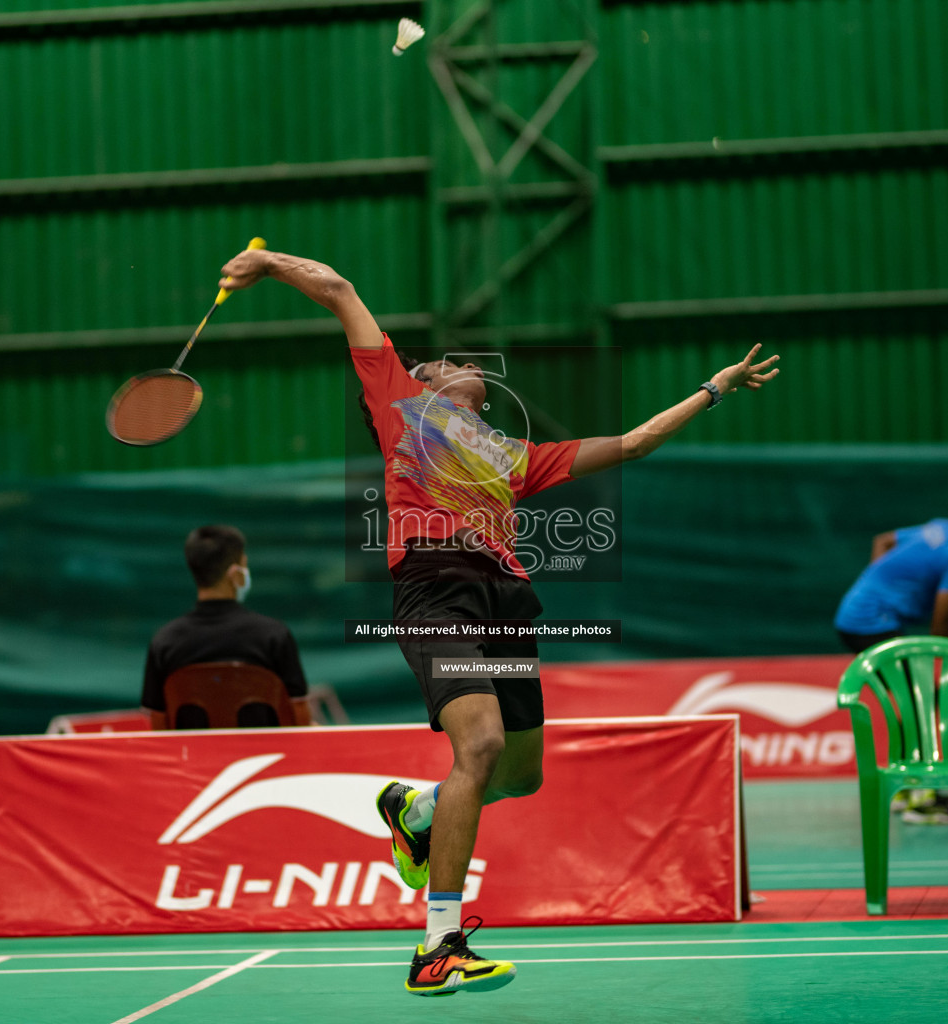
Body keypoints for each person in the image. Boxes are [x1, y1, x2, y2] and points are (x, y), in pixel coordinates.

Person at [218, 244, 779, 996]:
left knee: (520, 774)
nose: (461, 363)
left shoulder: (515, 457)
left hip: (507, 602)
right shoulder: (400, 404)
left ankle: (414, 809)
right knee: (478, 746)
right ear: (422, 383)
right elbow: (340, 287)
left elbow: (638, 442)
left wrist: (713, 389)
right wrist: (269, 265)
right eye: (444, 361)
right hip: (436, 586)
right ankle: (438, 944)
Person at [833, 479, 948, 824]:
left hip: (862, 615)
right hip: (870, 622)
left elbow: (883, 540)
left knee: (914, 702)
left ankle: (909, 790)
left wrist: (876, 581)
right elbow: (942, 631)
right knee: (917, 704)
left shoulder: (942, 528)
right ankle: (919, 798)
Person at [142, 524, 308, 730]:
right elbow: (300, 721)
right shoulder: (274, 636)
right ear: (235, 573)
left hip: (193, 761)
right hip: (267, 759)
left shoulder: (164, 642)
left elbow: (160, 728)